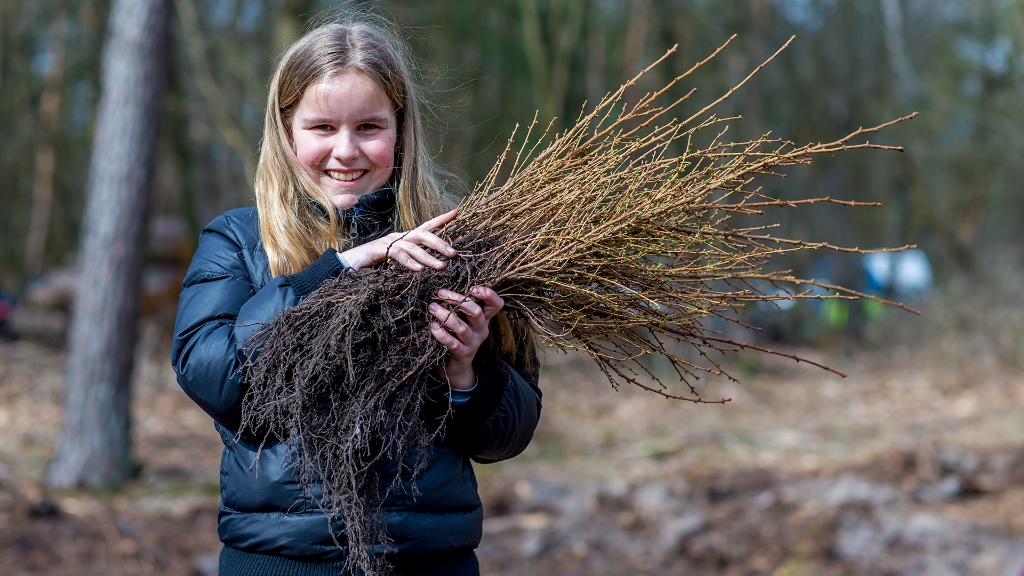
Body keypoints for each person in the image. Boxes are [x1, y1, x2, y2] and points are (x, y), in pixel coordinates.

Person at [171, 12, 541, 576]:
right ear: (287, 130)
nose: (346, 151)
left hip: (429, 562)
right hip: (281, 562)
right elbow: (218, 381)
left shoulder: (459, 248)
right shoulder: (239, 241)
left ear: (401, 129)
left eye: (369, 127)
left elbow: (509, 434)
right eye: (322, 128)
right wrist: (335, 270)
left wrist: (467, 374)